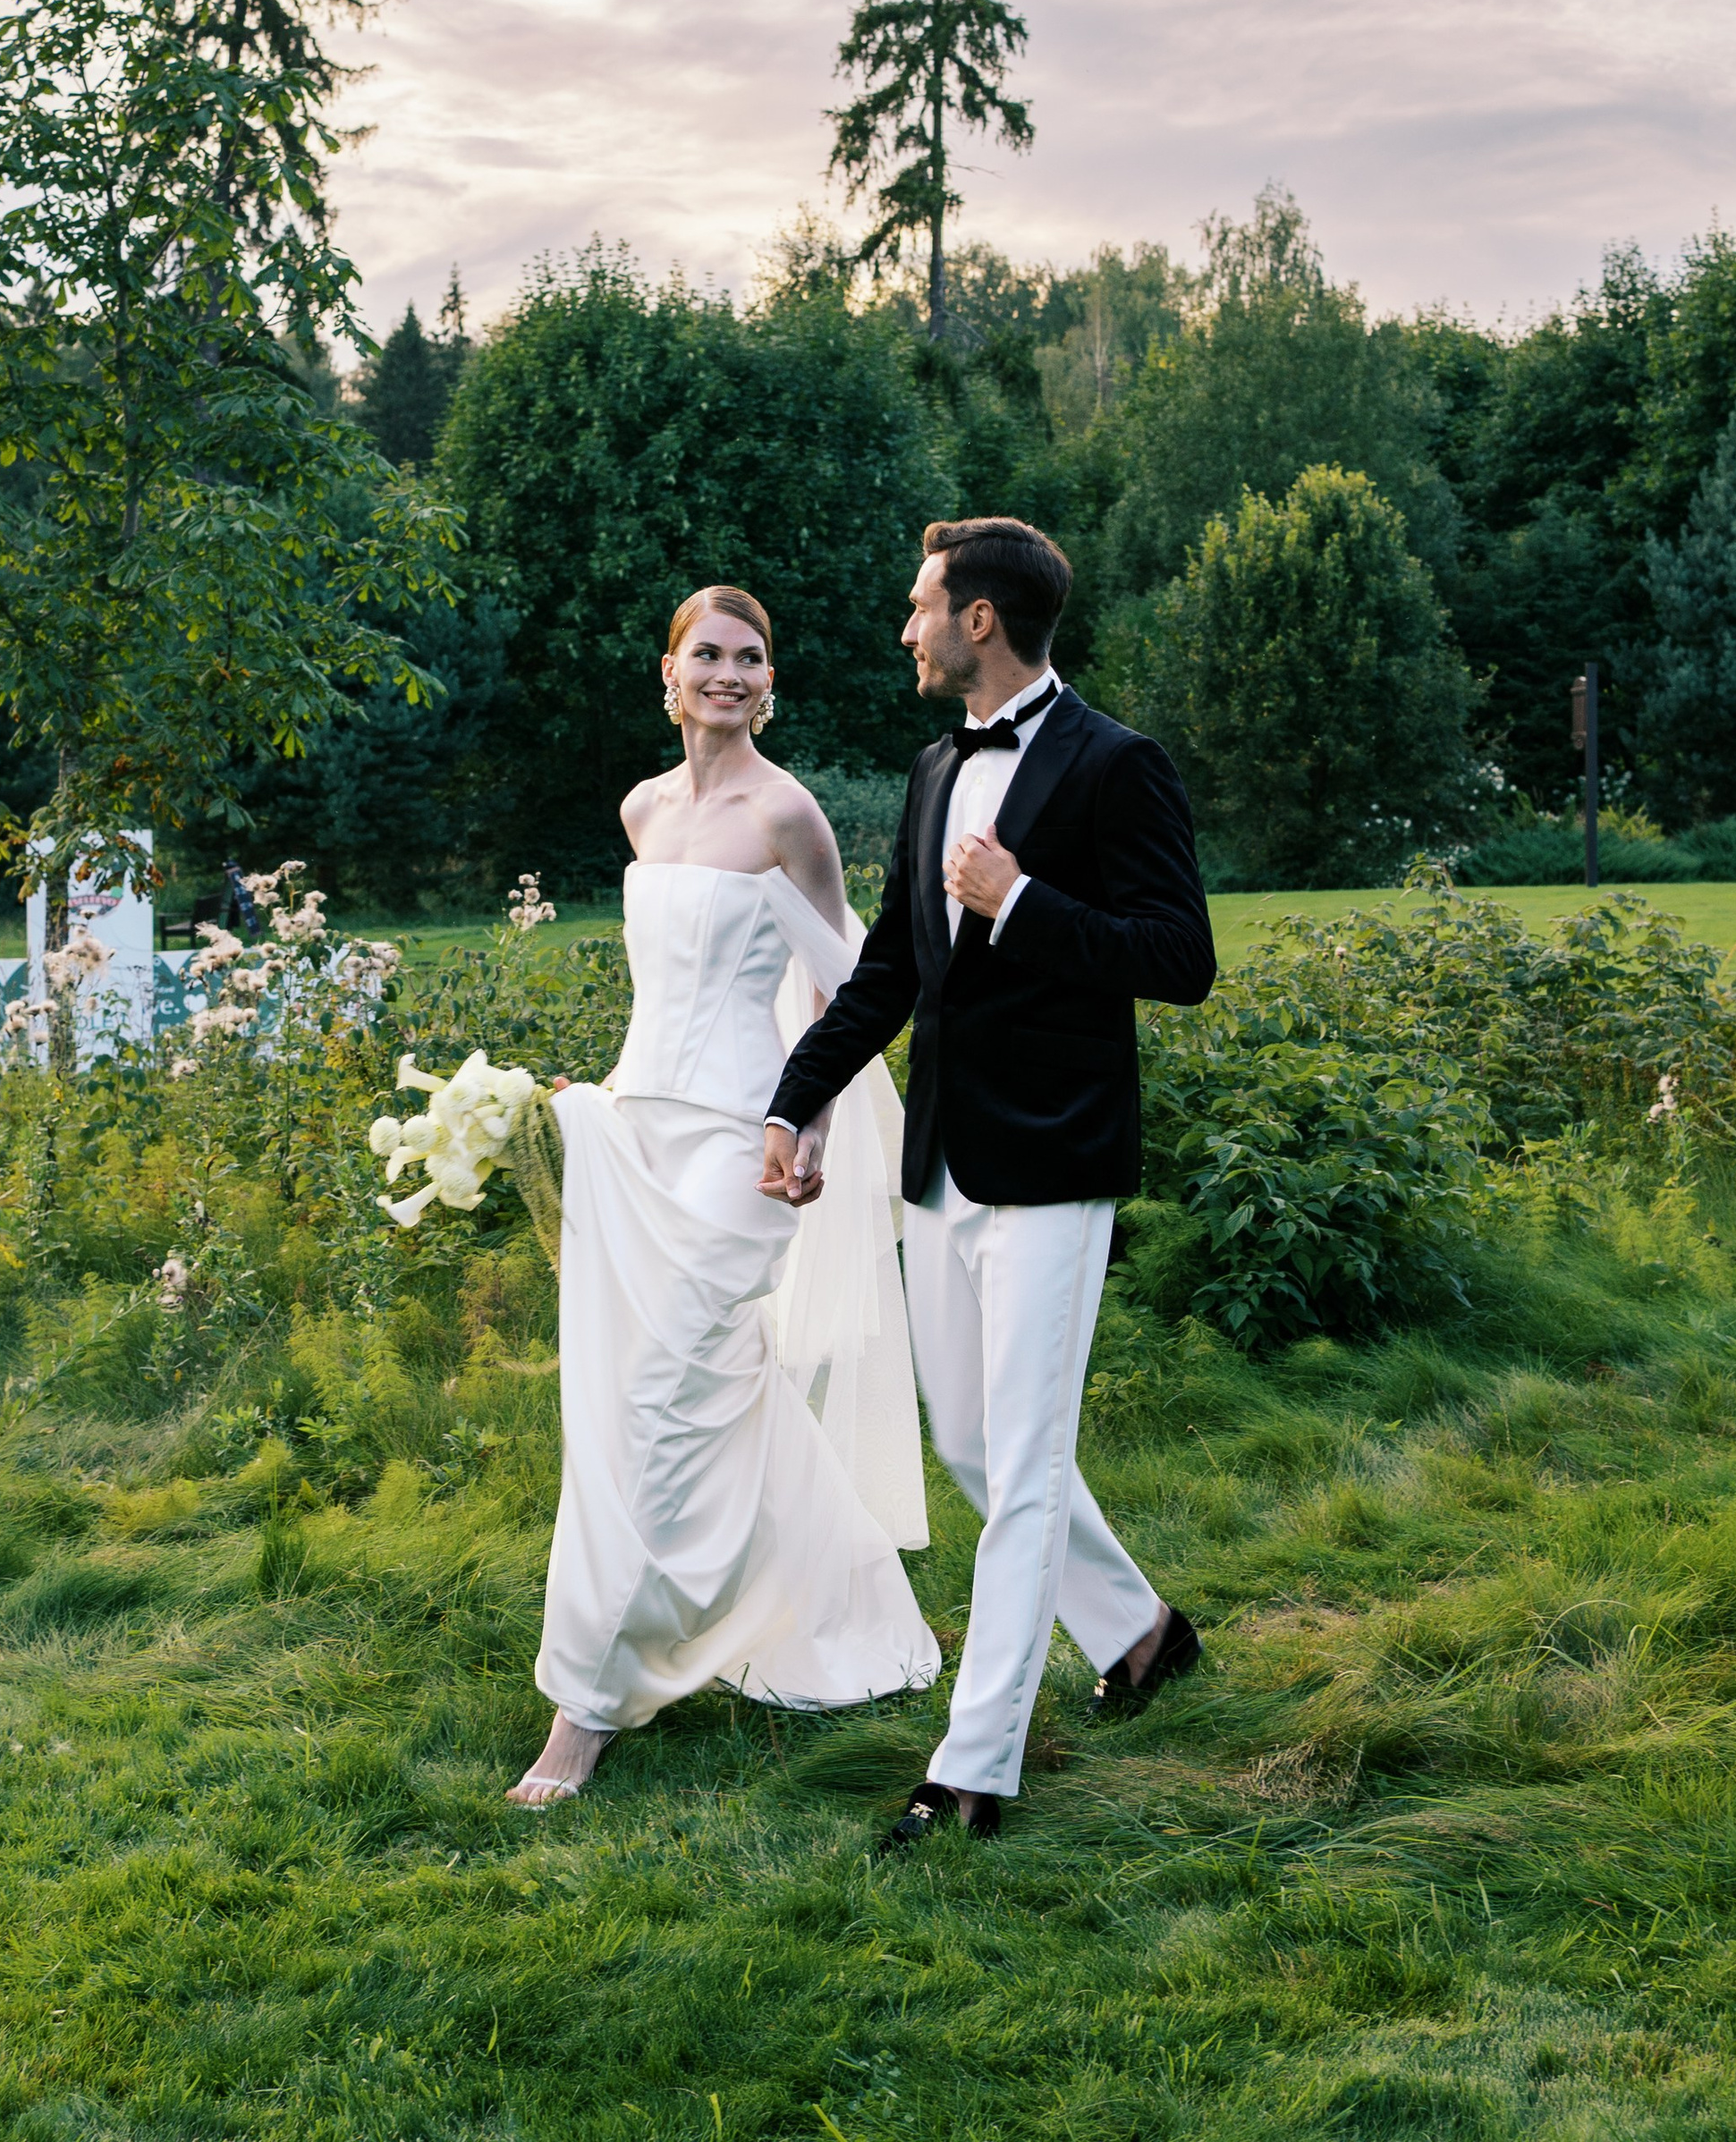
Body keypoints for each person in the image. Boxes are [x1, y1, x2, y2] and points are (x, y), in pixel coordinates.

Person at [764, 516, 1215, 1850]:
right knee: (969, 1442)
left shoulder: (1118, 764)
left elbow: (1180, 956)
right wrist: (796, 1096)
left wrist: (1023, 902)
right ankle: (1142, 1634)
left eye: (920, 606)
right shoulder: (926, 771)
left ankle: (973, 1769)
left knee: (1022, 1470)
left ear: (980, 620)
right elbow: (894, 972)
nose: (905, 627)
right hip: (941, 1163)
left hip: (1056, 1165)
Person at [507, 583, 939, 1808]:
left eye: (752, 658)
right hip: (638, 1126)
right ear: (669, 672)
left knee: (654, 1398)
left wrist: (799, 1122)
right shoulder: (644, 809)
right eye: (711, 654)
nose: (732, 673)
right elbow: (667, 986)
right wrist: (586, 1096)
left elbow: (846, 989)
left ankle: (583, 1707)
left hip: (745, 1142)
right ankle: (847, 1601)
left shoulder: (787, 813)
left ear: (770, 683)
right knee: (680, 1392)